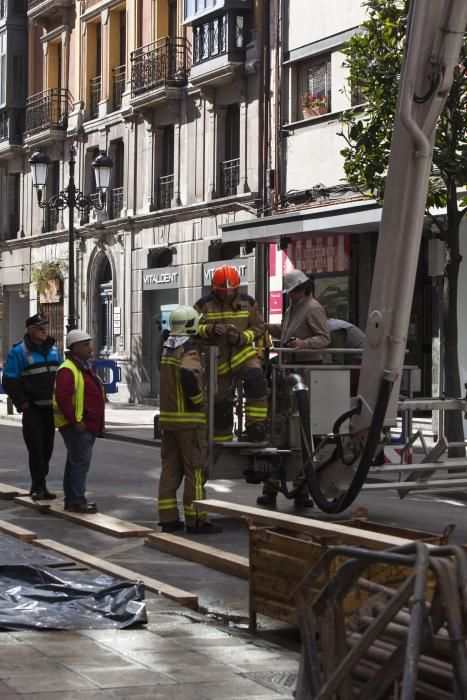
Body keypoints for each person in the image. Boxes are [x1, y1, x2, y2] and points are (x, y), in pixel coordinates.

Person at [258, 269, 331, 508]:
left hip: (306, 374)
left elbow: (323, 338)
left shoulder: (313, 308)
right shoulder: (295, 308)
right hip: (290, 373)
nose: (291, 296)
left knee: (301, 435)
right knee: (280, 431)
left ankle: (301, 489)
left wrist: (302, 344)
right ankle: (272, 487)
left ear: (302, 289)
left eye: (293, 292)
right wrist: (268, 327)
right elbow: (287, 331)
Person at [157, 305, 222, 535]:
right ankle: (197, 520)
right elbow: (187, 374)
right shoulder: (189, 351)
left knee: (170, 470)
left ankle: (168, 519)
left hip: (169, 421)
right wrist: (198, 400)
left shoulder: (167, 348)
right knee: (195, 470)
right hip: (189, 422)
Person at [195, 265, 268, 443]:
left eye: (230, 291)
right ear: (214, 288)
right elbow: (192, 328)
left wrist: (242, 337)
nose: (227, 295)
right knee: (221, 406)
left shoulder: (247, 303)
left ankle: (255, 426)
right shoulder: (203, 305)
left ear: (236, 287)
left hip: (243, 356)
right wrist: (210, 329)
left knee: (257, 381)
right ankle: (221, 442)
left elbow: (260, 327)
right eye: (223, 291)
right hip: (216, 362)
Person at [2, 314, 62, 500]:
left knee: (47, 449)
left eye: (45, 327)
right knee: (36, 450)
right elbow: (10, 381)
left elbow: (61, 377)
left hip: (50, 410)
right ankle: (38, 487)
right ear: (29, 330)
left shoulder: (54, 350)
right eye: (39, 328)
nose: (44, 331)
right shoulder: (18, 351)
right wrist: (23, 404)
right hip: (33, 410)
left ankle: (40, 484)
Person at [53, 329, 105, 513]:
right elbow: (63, 398)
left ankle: (72, 499)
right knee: (80, 463)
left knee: (75, 462)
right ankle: (76, 500)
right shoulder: (68, 369)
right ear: (74, 348)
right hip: (77, 426)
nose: (90, 347)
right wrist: (75, 421)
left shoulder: (83, 366)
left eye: (89, 343)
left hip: (85, 425)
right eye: (85, 344)